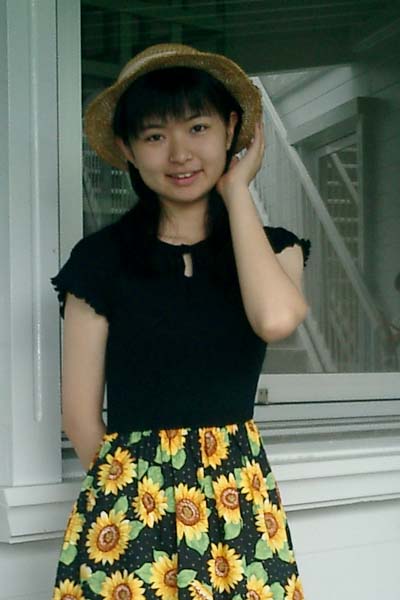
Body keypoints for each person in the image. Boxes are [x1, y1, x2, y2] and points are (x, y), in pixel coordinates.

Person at [50, 43, 311, 600]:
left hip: (240, 512)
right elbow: (79, 417)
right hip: (128, 509)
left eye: (198, 127)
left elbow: (275, 319)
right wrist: (135, 506)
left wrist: (237, 190)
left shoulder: (275, 249)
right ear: (128, 149)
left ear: (231, 130)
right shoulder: (99, 261)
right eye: (154, 136)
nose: (180, 154)